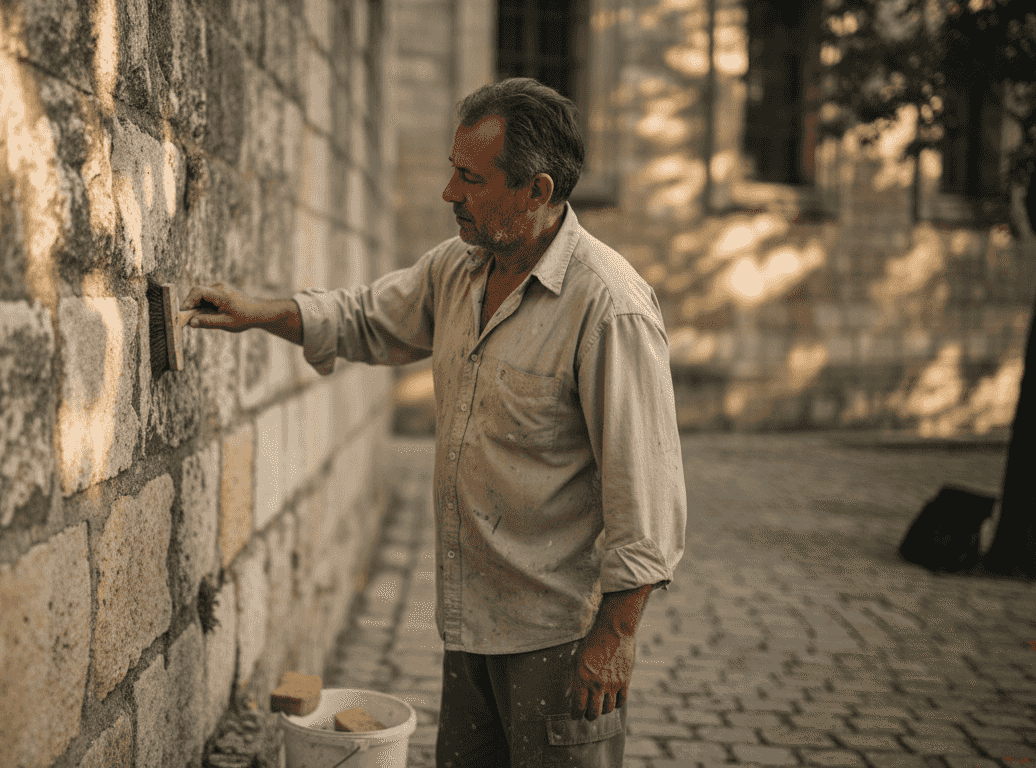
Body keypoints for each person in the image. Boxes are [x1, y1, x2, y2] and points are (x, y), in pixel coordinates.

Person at [182, 77, 686, 768]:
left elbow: (648, 499)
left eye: (470, 177)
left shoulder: (610, 307)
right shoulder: (461, 268)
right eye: (453, 169)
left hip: (559, 639)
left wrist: (615, 638)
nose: (450, 192)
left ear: (536, 192)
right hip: (469, 621)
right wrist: (256, 312)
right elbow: (364, 317)